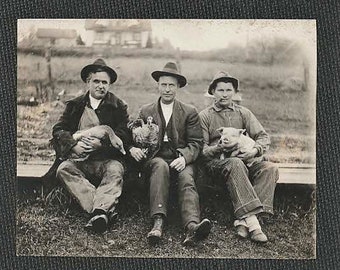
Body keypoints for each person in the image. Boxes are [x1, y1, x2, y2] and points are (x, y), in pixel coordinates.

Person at [129, 62, 211, 246]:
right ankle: (158, 221)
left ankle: (192, 226)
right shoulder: (146, 110)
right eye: (163, 85)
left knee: (187, 176)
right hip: (155, 158)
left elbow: (196, 143)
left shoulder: (189, 112)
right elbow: (134, 136)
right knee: (160, 166)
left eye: (171, 85)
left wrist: (184, 158)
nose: (167, 89)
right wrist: (136, 147)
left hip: (179, 157)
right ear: (157, 85)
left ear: (178, 87)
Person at [50, 58, 131, 233]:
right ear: (88, 82)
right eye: (96, 81)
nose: (100, 86)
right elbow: (59, 130)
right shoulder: (75, 105)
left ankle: (99, 211)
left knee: (115, 170)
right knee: (63, 169)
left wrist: (100, 145)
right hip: (80, 160)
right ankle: (102, 210)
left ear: (109, 85)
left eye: (104, 82)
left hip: (106, 159)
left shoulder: (118, 106)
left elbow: (124, 134)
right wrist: (73, 146)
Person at [199, 71, 279, 243]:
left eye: (229, 90)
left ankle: (243, 221)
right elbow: (201, 151)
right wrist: (218, 147)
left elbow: (263, 137)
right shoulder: (205, 116)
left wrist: (254, 151)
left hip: (245, 162)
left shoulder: (243, 113)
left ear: (235, 92)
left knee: (270, 168)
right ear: (212, 92)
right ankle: (254, 224)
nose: (225, 94)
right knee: (235, 162)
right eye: (220, 90)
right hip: (217, 165)